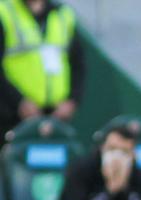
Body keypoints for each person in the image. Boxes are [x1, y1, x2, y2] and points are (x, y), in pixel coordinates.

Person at [0, 0, 83, 141]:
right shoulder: (5, 11)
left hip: (56, 116)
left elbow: (78, 64)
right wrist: (19, 102)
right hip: (11, 115)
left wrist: (72, 100)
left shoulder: (63, 14)